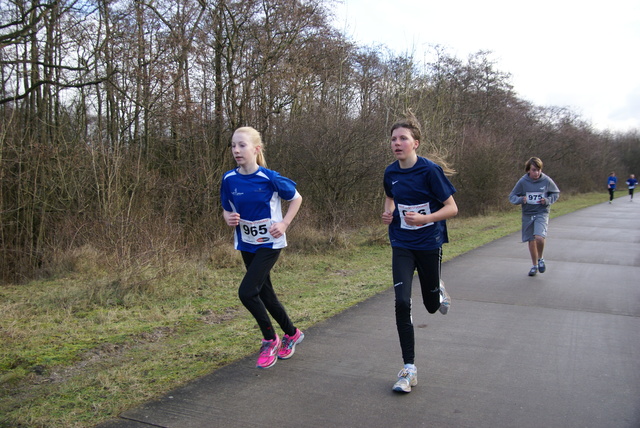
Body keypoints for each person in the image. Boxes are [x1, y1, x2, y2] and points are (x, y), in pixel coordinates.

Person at [381, 113, 458, 393]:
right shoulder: (391, 172)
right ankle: (409, 369)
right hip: (401, 243)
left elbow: (452, 208)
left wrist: (424, 219)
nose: (397, 143)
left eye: (403, 138)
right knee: (402, 301)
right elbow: (390, 196)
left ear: (416, 143)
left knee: (430, 306)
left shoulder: (429, 171)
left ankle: (437, 286)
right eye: (393, 139)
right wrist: (389, 212)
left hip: (428, 242)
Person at [220, 126, 304, 369]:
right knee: (265, 294)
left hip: (269, 243)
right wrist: (228, 217)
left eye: (242, 145)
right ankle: (292, 333)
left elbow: (296, 198)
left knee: (247, 292)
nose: (236, 150)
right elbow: (227, 206)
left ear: (256, 149)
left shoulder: (269, 177)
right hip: (246, 243)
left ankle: (270, 339)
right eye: (233, 145)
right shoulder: (229, 179)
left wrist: (284, 223)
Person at [509, 157, 560, 277]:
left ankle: (540, 258)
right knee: (531, 240)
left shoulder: (546, 180)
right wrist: (521, 199)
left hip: (541, 213)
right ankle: (534, 265)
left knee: (539, 238)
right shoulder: (523, 182)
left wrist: (547, 200)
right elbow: (512, 196)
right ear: (528, 170)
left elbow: (556, 193)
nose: (536, 173)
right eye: (534, 170)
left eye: (538, 170)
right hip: (527, 214)